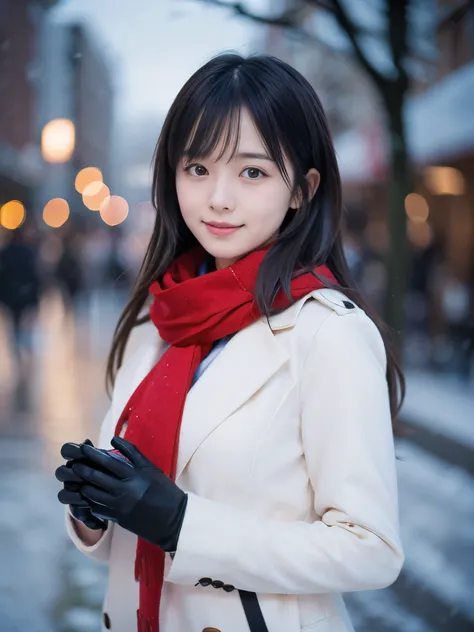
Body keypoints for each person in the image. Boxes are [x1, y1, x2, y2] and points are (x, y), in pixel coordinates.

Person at [55, 53, 405, 632]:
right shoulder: (158, 319)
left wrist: (184, 524)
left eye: (252, 172)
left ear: (302, 189)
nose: (217, 198)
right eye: (197, 168)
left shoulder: (327, 332)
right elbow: (135, 528)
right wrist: (97, 509)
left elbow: (370, 548)